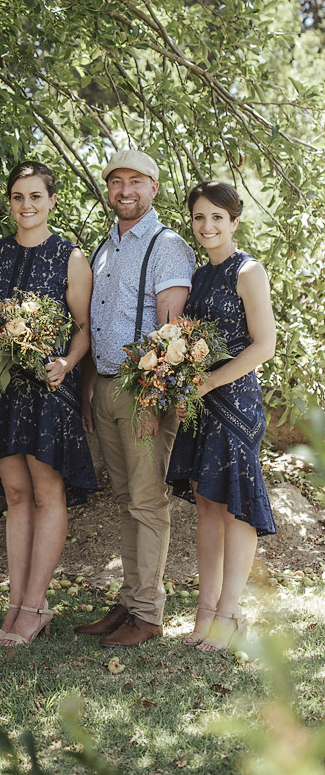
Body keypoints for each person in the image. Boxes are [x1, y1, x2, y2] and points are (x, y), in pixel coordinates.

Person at [0, 160, 97, 646]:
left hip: (48, 390)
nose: (27, 205)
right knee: (16, 497)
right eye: (18, 197)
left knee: (47, 494)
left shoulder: (70, 256)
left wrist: (66, 364)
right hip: (3, 391)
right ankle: (18, 603)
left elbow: (85, 328)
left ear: (52, 202)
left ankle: (33, 606)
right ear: (10, 202)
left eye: (36, 197)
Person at [75, 149, 194, 648]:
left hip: (142, 392)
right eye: (116, 182)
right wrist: (88, 386)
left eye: (136, 182)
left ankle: (148, 613)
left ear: (154, 188)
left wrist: (153, 398)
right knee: (125, 500)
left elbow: (170, 334)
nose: (125, 190)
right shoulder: (105, 247)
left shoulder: (167, 245)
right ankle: (129, 602)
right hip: (103, 386)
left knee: (146, 501)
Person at [166, 180, 276, 652]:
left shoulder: (247, 270)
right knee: (207, 504)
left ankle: (230, 613)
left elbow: (264, 345)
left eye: (217, 217)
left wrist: (209, 381)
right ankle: (205, 611)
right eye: (199, 217)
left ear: (234, 221)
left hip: (236, 404)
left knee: (235, 508)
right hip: (201, 402)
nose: (207, 226)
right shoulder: (201, 274)